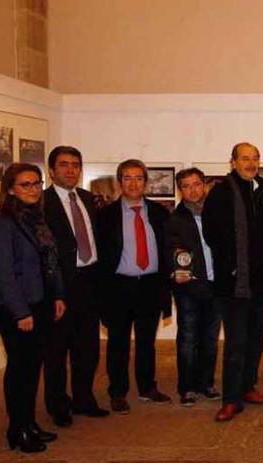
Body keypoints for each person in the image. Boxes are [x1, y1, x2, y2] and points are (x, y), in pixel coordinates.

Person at [0, 163, 64, 453]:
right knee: (19, 369)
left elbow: (49, 262)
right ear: (10, 189)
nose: (33, 190)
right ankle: (16, 429)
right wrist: (21, 313)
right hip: (14, 308)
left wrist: (56, 296)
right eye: (25, 185)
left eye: (36, 184)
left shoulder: (36, 219)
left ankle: (29, 423)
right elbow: (4, 273)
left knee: (33, 368)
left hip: (40, 301)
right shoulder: (2, 223)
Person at [202, 143, 263, 422]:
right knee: (236, 344)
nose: (251, 163)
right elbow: (211, 234)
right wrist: (233, 263)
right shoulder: (220, 193)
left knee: (256, 341)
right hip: (233, 282)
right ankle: (231, 399)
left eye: (255, 158)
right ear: (232, 162)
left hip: (260, 282)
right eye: (245, 158)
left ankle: (248, 387)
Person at [41, 146, 110, 428]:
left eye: (75, 165)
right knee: (57, 349)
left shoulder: (87, 199)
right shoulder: (42, 203)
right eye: (64, 165)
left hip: (90, 281)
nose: (71, 170)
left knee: (88, 347)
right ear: (52, 170)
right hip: (59, 285)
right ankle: (58, 405)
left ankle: (83, 398)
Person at [98, 159, 172, 414]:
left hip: (150, 286)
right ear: (120, 182)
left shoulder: (160, 213)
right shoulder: (105, 216)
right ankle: (118, 392)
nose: (133, 183)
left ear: (145, 182)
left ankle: (147, 387)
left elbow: (167, 250)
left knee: (146, 341)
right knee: (118, 342)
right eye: (127, 178)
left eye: (138, 178)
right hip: (119, 287)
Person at [165, 168, 221, 408]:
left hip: (216, 285)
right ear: (180, 190)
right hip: (188, 287)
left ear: (204, 185)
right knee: (188, 338)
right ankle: (186, 387)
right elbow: (168, 251)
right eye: (186, 186)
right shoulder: (174, 219)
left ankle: (206, 383)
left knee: (210, 338)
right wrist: (173, 269)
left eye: (196, 184)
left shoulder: (217, 214)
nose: (193, 190)